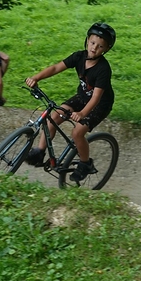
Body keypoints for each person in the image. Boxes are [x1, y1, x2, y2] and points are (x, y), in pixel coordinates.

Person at [23, 23, 116, 183]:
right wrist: (36, 78)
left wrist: (81, 114)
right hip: (82, 97)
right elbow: (55, 68)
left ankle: (86, 164)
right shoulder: (79, 57)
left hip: (99, 104)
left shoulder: (103, 69)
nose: (94, 48)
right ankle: (40, 151)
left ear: (106, 49)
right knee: (54, 117)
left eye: (100, 46)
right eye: (92, 43)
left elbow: (96, 98)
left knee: (77, 132)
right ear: (87, 40)